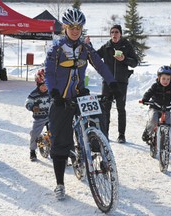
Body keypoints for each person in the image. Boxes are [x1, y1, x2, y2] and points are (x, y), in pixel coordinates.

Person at [44, 8, 120, 200]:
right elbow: (49, 72)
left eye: (79, 27)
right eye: (72, 27)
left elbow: (100, 64)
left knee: (98, 118)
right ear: (65, 28)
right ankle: (60, 183)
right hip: (61, 98)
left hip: (80, 96)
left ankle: (100, 151)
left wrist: (112, 82)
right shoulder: (56, 48)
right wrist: (54, 92)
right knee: (60, 141)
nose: (75, 30)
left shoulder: (85, 48)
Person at [93, 24, 138, 143]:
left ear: (120, 34)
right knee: (105, 108)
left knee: (120, 108)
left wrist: (124, 59)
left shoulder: (126, 46)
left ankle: (121, 135)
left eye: (116, 32)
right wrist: (89, 45)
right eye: (112, 32)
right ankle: (105, 133)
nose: (114, 34)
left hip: (121, 82)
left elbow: (135, 62)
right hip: (107, 82)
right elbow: (94, 57)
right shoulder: (106, 47)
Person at [141, 65, 171, 142]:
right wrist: (145, 99)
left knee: (168, 125)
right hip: (155, 107)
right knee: (153, 120)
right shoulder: (155, 86)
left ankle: (167, 143)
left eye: (168, 79)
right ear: (159, 78)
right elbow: (149, 93)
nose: (165, 81)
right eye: (163, 78)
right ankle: (148, 132)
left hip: (166, 109)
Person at [25, 69, 50, 162]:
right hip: (39, 117)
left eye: (46, 85)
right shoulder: (34, 94)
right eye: (42, 85)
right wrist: (32, 107)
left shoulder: (51, 92)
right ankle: (32, 150)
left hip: (51, 116)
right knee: (34, 133)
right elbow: (28, 103)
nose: (45, 87)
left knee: (57, 132)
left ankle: (56, 149)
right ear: (38, 84)